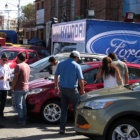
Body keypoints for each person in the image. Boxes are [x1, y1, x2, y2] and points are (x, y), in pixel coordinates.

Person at [55, 51, 85, 134]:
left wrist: (56, 86)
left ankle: (62, 129)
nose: (78, 60)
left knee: (64, 109)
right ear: (76, 57)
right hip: (72, 90)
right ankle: (77, 128)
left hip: (63, 89)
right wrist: (82, 89)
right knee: (77, 109)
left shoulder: (61, 64)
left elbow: (56, 75)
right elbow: (80, 80)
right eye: (78, 58)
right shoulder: (76, 65)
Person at [11, 53, 30, 125]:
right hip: (26, 87)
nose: (16, 59)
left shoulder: (18, 66)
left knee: (18, 105)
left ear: (19, 58)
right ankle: (24, 118)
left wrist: (12, 87)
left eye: (17, 58)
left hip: (19, 88)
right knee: (23, 104)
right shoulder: (27, 65)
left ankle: (21, 120)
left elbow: (15, 78)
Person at [0, 53, 11, 118]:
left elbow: (9, 74)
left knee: (3, 102)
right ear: (1, 59)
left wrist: (9, 78)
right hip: (0, 87)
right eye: (4, 60)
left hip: (5, 87)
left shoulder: (7, 66)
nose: (5, 61)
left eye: (6, 60)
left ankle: (1, 113)